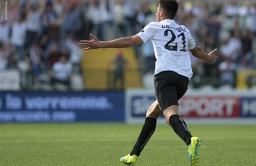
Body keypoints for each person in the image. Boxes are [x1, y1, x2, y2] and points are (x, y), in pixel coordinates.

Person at [79, 0, 218, 165]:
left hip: (165, 75)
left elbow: (129, 41)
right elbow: (195, 50)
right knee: (152, 112)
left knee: (170, 116)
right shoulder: (183, 30)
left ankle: (190, 140)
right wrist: (208, 58)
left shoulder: (155, 27)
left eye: (158, 9)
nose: (156, 12)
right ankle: (134, 154)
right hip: (183, 79)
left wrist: (101, 44)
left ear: (162, 12)